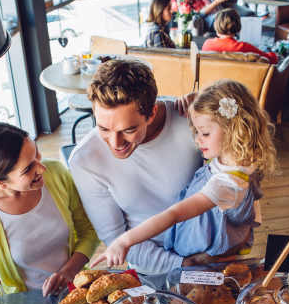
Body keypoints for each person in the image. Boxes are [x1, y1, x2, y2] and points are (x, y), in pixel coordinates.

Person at [91, 79, 277, 267]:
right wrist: (197, 100)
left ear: (233, 129)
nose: (197, 140)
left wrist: (124, 241)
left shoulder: (228, 184)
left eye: (204, 133)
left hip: (204, 254)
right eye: (196, 132)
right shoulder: (236, 157)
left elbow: (174, 214)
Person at [68, 59, 205, 276]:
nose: (115, 143)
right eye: (103, 128)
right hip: (149, 266)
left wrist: (213, 104)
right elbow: (115, 236)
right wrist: (183, 265)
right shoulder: (84, 160)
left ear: (151, 113)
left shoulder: (191, 121)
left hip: (208, 251)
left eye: (128, 130)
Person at [0, 121, 99, 296]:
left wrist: (69, 272)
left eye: (36, 154)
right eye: (28, 168)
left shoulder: (56, 174)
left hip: (78, 289)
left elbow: (89, 230)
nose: (42, 168)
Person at [202, 8, 278, 64]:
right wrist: (271, 52)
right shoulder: (243, 47)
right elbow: (271, 59)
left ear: (216, 26)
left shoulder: (207, 44)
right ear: (238, 26)